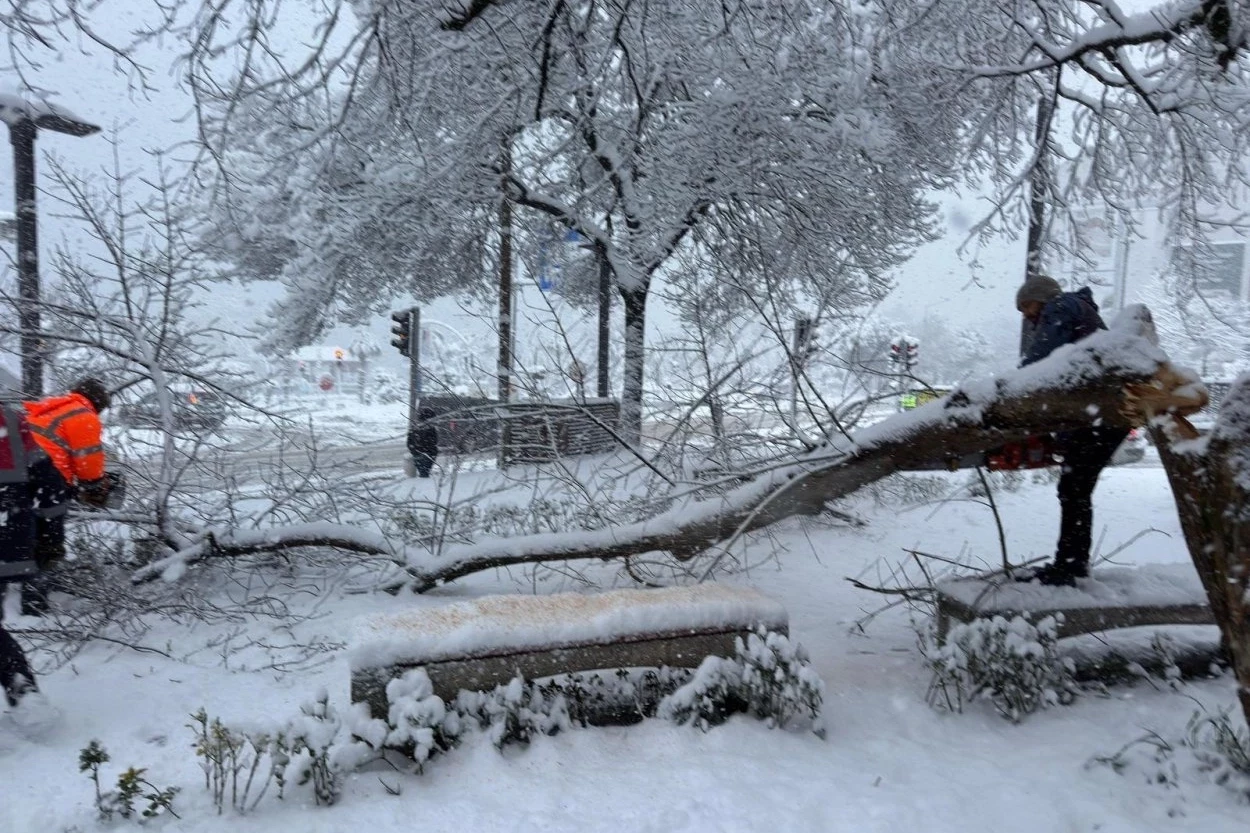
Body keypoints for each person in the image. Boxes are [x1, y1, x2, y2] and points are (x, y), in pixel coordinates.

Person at [1015, 275, 1129, 587]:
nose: (1026, 314)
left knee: (1074, 489)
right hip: (1106, 415)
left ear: (1041, 297)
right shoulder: (1081, 313)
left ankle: (1070, 567)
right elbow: (1068, 372)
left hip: (1103, 415)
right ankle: (1071, 564)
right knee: (1075, 489)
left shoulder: (1062, 305)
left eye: (1026, 305)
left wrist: (1013, 388)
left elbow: (1041, 359)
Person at [21, 378, 113, 615]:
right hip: (43, 478)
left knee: (19, 532)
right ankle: (35, 603)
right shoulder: (84, 415)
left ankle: (30, 583)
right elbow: (88, 462)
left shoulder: (50, 409)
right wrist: (95, 489)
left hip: (13, 475)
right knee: (47, 540)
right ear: (98, 403)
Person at [0, 401, 42, 707]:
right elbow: (46, 477)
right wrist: (49, 538)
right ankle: (20, 685)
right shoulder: (14, 421)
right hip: (8, 539)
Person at [407, 407, 439, 478]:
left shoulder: (414, 426)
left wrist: (414, 451)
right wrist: (431, 452)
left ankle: (423, 480)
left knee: (422, 472)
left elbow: (409, 442)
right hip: (428, 454)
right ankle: (423, 483)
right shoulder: (430, 427)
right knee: (425, 472)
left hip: (417, 454)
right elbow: (434, 441)